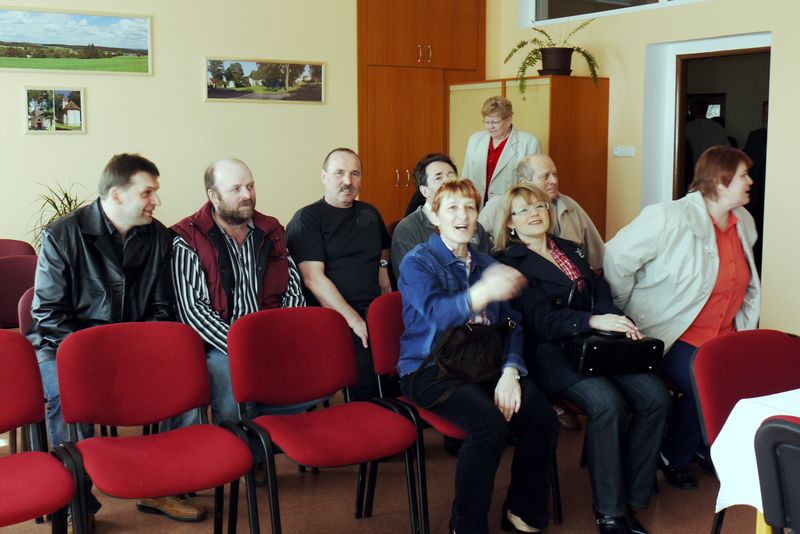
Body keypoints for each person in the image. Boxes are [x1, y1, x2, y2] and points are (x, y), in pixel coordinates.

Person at [28, 153, 207, 528]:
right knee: (64, 395)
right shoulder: (63, 235)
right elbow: (47, 314)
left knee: (187, 379)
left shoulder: (158, 237)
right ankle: (77, 500)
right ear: (116, 194)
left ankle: (160, 486)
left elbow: (162, 308)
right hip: (66, 349)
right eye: (147, 192)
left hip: (134, 348)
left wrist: (136, 353)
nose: (156, 201)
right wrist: (99, 357)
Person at [495, 184, 670, 534]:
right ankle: (610, 512)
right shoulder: (509, 262)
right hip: (551, 354)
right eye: (523, 210)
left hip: (599, 346)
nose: (534, 213)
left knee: (657, 397)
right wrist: (591, 320)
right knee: (608, 405)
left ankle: (632, 497)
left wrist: (617, 321)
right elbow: (540, 320)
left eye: (539, 206)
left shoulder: (570, 249)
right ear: (510, 223)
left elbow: (599, 292)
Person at [398, 179, 558, 534]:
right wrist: (482, 293)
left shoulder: (487, 262)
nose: (464, 216)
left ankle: (522, 512)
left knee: (542, 417)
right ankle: (466, 526)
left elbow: (512, 323)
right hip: (430, 370)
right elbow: (436, 315)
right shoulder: (417, 263)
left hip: (485, 364)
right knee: (489, 427)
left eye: (470, 207)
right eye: (452, 208)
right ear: (434, 217)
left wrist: (511, 371)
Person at [604, 146, 760, 491]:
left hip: (725, 334)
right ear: (719, 181)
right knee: (706, 384)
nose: (750, 181)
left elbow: (744, 284)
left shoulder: (743, 222)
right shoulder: (669, 217)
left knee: (744, 382)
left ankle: (704, 447)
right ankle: (673, 454)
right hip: (674, 334)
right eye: (743, 175)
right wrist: (622, 310)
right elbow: (615, 256)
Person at [171, 158, 310, 426]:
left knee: (315, 377)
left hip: (270, 335)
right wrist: (243, 348)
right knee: (231, 386)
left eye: (250, 186)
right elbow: (194, 311)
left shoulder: (271, 231)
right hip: (219, 343)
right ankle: (238, 438)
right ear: (214, 196)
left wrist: (281, 336)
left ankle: (262, 436)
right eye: (236, 189)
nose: (247, 195)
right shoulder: (189, 239)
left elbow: (293, 291)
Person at [286, 147, 391, 401]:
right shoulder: (307, 219)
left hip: (374, 308)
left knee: (403, 362)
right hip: (334, 315)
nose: (348, 181)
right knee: (367, 375)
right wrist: (354, 320)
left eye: (355, 174)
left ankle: (400, 418)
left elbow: (384, 247)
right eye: (339, 173)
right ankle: (370, 419)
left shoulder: (369, 213)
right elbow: (313, 279)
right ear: (324, 177)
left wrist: (383, 269)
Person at [480, 154, 605, 271]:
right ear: (524, 182)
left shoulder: (569, 206)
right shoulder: (499, 205)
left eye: (555, 174)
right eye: (545, 176)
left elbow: (597, 257)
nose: (554, 181)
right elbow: (477, 245)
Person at [391, 153, 492, 280]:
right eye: (438, 178)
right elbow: (412, 281)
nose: (448, 182)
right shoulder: (407, 229)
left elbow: (489, 270)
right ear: (424, 191)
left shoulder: (473, 225)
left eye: (451, 176)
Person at [461, 95, 541, 205]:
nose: (490, 127)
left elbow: (533, 185)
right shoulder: (475, 140)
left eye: (495, 122)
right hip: (477, 205)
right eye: (486, 122)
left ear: (509, 119)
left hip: (509, 206)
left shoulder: (529, 142)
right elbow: (466, 176)